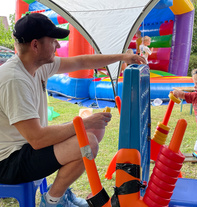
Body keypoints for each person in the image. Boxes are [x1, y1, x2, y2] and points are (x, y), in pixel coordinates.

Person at [0, 13, 146, 207]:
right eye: (53, 41)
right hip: (8, 161)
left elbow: (82, 61)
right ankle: (52, 201)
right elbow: (37, 139)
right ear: (35, 45)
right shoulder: (14, 79)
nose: (58, 46)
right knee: (88, 142)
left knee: (92, 132)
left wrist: (122, 57)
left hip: (25, 147)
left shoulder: (37, 65)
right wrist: (83, 123)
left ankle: (59, 193)